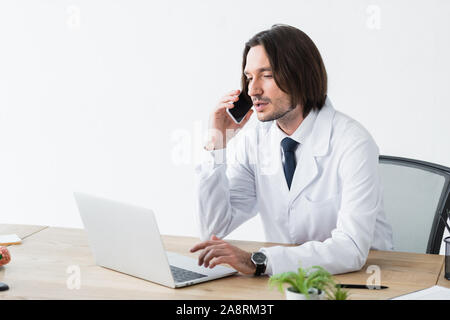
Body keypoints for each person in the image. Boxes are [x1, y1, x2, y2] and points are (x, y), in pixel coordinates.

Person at [190, 24, 393, 276]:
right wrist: (216, 143)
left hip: (362, 282)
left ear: (301, 76)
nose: (253, 90)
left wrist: (259, 261)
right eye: (250, 77)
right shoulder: (256, 141)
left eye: (267, 75)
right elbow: (213, 228)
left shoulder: (353, 142)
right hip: (286, 282)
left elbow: (351, 248)